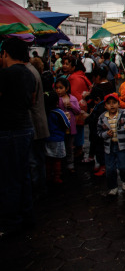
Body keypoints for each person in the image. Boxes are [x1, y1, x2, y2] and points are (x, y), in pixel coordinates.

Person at [0, 38, 36, 238]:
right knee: (23, 175)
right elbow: (31, 100)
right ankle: (27, 215)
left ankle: (11, 221)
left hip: (9, 131)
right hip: (25, 127)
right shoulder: (29, 74)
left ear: (5, 53)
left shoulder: (5, 74)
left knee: (9, 178)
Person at [97, 93, 125, 196]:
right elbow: (98, 132)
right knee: (110, 169)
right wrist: (105, 134)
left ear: (119, 104)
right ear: (105, 106)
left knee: (123, 166)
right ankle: (113, 187)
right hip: (109, 147)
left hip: (122, 146)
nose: (112, 105)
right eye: (109, 103)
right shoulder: (102, 117)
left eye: (114, 103)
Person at [25, 55, 50, 198]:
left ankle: (38, 189)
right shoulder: (32, 71)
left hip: (34, 123)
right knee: (37, 158)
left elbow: (30, 100)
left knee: (35, 160)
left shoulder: (29, 73)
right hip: (36, 123)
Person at [54, 78, 80, 172]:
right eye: (56, 88)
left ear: (67, 88)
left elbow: (78, 111)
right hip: (59, 127)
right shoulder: (56, 99)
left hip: (70, 127)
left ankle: (70, 164)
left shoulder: (72, 99)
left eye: (60, 88)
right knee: (60, 146)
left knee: (69, 146)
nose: (58, 90)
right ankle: (60, 165)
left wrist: (71, 106)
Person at [44, 91, 70, 184]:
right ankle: (57, 177)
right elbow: (67, 124)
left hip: (47, 139)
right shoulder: (59, 112)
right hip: (58, 139)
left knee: (48, 159)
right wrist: (68, 118)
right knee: (57, 160)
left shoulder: (45, 112)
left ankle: (48, 176)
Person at [84, 87, 107, 175]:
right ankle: (101, 165)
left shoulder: (101, 108)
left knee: (100, 150)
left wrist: (88, 117)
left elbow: (95, 119)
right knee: (98, 149)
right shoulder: (99, 106)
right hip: (96, 134)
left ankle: (103, 166)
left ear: (97, 99)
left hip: (99, 134)